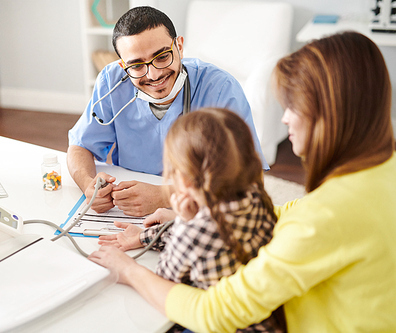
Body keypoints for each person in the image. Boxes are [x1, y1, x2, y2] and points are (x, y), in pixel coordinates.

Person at [88, 31, 396, 332]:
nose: (285, 118)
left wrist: (128, 270)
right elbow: (295, 213)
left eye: (293, 106)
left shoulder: (330, 216)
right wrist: (199, 219)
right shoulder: (380, 171)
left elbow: (215, 313)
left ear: (332, 114)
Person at [67, 6, 268, 217]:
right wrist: (89, 187)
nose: (153, 74)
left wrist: (165, 196)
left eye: (162, 57)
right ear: (123, 65)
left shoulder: (220, 88)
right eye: (136, 66)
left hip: (199, 210)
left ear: (179, 46)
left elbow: (251, 179)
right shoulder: (112, 81)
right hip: (128, 209)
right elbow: (80, 146)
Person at [98, 108, 285, 332]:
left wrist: (124, 266)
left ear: (184, 180)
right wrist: (145, 236)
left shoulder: (193, 231)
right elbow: (209, 234)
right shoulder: (254, 195)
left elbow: (165, 284)